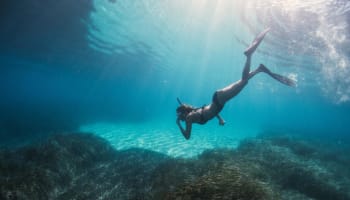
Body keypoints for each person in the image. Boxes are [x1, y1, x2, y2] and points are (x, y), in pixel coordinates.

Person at [176, 28, 296, 140]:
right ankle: (259, 69)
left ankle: (249, 55)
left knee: (243, 82)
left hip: (219, 100)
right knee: (243, 82)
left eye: (179, 116)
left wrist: (178, 125)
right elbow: (211, 112)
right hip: (218, 98)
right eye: (179, 118)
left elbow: (187, 136)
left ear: (183, 113)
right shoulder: (194, 112)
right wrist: (221, 119)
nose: (179, 119)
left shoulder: (189, 118)